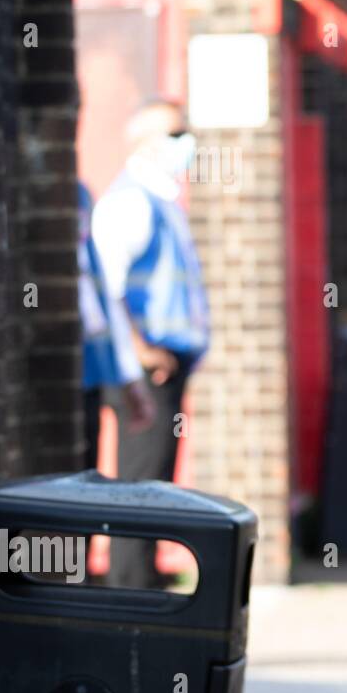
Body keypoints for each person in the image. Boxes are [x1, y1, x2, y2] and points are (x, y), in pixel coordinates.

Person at [91, 100, 210, 587]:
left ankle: (142, 584)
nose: (186, 144)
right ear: (144, 141)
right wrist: (139, 351)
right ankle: (130, 590)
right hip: (145, 367)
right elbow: (107, 286)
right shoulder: (131, 202)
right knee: (138, 486)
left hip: (164, 364)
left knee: (153, 483)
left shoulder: (161, 200)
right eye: (175, 135)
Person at [77, 181, 154, 469]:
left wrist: (129, 375)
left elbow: (102, 291)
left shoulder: (81, 195)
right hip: (54, 369)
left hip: (90, 368)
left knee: (84, 477)